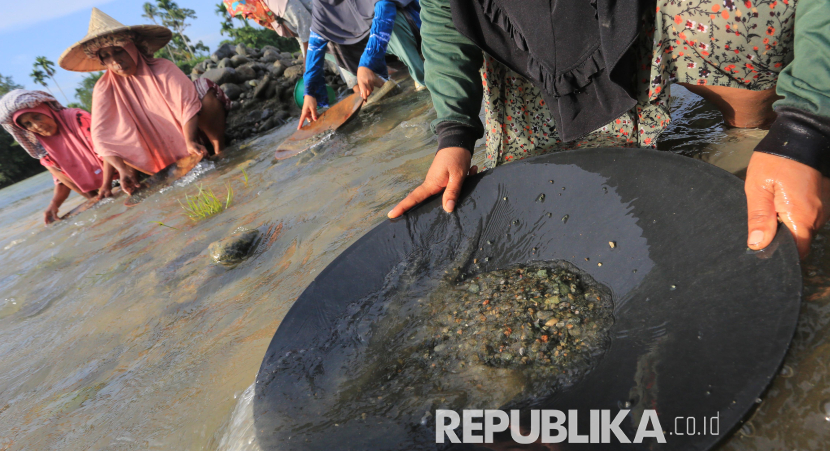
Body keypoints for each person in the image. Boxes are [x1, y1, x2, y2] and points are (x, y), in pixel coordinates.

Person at [388, 0, 830, 260]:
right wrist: (455, 133)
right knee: (548, 191)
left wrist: (806, 125)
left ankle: (754, 127)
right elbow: (442, 12)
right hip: (526, 28)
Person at [58, 8, 231, 194]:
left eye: (118, 51)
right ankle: (150, 173)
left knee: (203, 88)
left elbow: (187, 104)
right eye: (106, 56)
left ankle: (219, 150)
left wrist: (189, 140)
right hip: (150, 152)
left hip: (194, 136)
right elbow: (101, 137)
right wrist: (123, 169)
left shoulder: (163, 68)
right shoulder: (103, 88)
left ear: (132, 48)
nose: (115, 61)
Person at [298, 0, 426, 129]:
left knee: (392, 20)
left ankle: (422, 78)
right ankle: (379, 82)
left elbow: (385, 9)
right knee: (330, 41)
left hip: (414, 23)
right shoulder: (321, 3)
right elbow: (315, 42)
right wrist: (310, 92)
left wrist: (367, 62)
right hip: (375, 39)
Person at [0, 90, 114, 225]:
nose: (36, 126)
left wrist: (106, 185)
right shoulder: (42, 148)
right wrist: (54, 205)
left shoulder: (78, 119)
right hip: (104, 190)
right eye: (28, 124)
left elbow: (109, 150)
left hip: (125, 174)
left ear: (46, 110)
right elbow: (62, 179)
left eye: (37, 117)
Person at [223, 0, 314, 58]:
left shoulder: (275, 3)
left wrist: (307, 61)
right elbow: (301, 37)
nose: (246, 17)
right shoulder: (269, 13)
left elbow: (306, 26)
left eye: (245, 13)